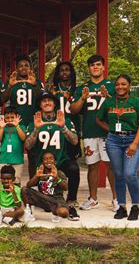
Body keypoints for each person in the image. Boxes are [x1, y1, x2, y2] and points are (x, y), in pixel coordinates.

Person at [96, 74, 139, 221]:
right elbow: (98, 119)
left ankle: (135, 206)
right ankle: (122, 206)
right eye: (118, 84)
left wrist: (135, 144)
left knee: (130, 174)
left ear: (129, 86)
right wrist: (111, 130)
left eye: (124, 84)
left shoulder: (136, 102)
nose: (120, 87)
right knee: (118, 175)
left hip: (133, 139)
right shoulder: (109, 102)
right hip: (114, 141)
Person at [70, 54, 117, 211]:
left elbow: (119, 108)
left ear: (103, 67)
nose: (95, 67)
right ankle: (93, 198)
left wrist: (108, 97)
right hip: (90, 131)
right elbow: (73, 110)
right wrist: (82, 98)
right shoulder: (83, 88)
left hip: (107, 132)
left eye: (98, 64)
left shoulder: (111, 85)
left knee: (111, 166)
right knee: (92, 166)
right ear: (89, 68)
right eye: (92, 65)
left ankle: (117, 199)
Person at [25, 91, 80, 221]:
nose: (47, 103)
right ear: (40, 104)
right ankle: (47, 203)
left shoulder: (64, 119)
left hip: (60, 159)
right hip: (43, 163)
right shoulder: (35, 121)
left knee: (73, 168)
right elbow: (28, 145)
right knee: (44, 189)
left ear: (55, 103)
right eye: (44, 101)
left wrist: (63, 128)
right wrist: (36, 129)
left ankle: (71, 202)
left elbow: (75, 141)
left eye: (50, 100)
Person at [1, 56, 43, 179]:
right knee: (12, 154)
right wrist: (9, 86)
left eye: (26, 65)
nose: (24, 68)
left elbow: (43, 98)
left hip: (31, 123)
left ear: (30, 68)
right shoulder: (12, 82)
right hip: (15, 124)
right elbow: (2, 99)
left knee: (33, 156)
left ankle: (33, 183)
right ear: (17, 69)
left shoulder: (37, 82)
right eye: (21, 66)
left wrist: (34, 85)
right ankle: (11, 183)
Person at [50, 61, 81, 204]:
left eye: (67, 70)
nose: (64, 72)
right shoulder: (53, 89)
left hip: (71, 126)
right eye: (61, 70)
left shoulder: (77, 89)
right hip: (54, 128)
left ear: (71, 72)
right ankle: (51, 193)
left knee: (71, 163)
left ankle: (71, 197)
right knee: (52, 159)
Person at [22, 151, 70, 222]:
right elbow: (28, 185)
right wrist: (36, 176)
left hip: (56, 200)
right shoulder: (41, 173)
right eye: (45, 159)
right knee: (24, 189)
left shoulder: (60, 173)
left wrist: (56, 178)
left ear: (55, 161)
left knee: (64, 213)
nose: (48, 160)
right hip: (43, 198)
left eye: (51, 158)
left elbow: (65, 188)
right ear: (42, 162)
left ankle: (55, 213)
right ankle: (29, 212)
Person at [0, 106, 26, 185]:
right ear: (4, 118)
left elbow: (23, 138)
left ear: (17, 117)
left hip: (17, 160)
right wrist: (1, 128)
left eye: (12, 117)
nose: (10, 120)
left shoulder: (21, 127)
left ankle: (16, 196)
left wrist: (17, 126)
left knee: (16, 181)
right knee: (3, 181)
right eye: (7, 118)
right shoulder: (3, 128)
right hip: (4, 159)